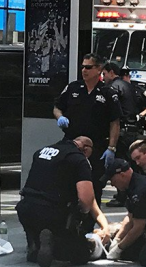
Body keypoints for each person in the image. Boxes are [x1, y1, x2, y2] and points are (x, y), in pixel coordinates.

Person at [16, 136, 111, 267]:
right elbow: (87, 199)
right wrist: (81, 217)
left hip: (26, 209)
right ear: (85, 149)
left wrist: (104, 226)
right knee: (80, 255)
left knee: (40, 232)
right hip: (53, 213)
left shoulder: (41, 152)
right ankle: (56, 244)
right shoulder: (78, 159)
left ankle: (35, 243)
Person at [53, 53, 122, 213]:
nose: (84, 70)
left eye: (88, 67)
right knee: (68, 182)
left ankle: (90, 223)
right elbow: (57, 107)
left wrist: (111, 148)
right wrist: (60, 117)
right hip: (72, 144)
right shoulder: (73, 88)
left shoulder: (108, 92)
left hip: (96, 147)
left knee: (94, 186)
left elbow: (115, 122)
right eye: (83, 67)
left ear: (99, 69)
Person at [102, 63, 140, 208]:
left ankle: (122, 196)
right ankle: (131, 195)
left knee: (119, 166)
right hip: (133, 130)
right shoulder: (129, 86)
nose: (103, 78)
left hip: (121, 131)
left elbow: (112, 112)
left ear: (111, 72)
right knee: (131, 165)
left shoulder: (112, 88)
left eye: (104, 74)